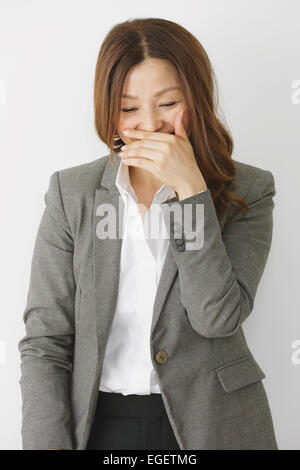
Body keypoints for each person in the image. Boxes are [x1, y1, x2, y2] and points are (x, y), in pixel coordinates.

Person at [18, 17, 279, 450]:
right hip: (102, 424)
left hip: (214, 422)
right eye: (128, 108)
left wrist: (190, 191)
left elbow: (215, 318)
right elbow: (46, 341)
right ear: (108, 111)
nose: (150, 124)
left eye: (169, 102)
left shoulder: (248, 190)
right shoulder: (72, 193)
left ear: (197, 98)